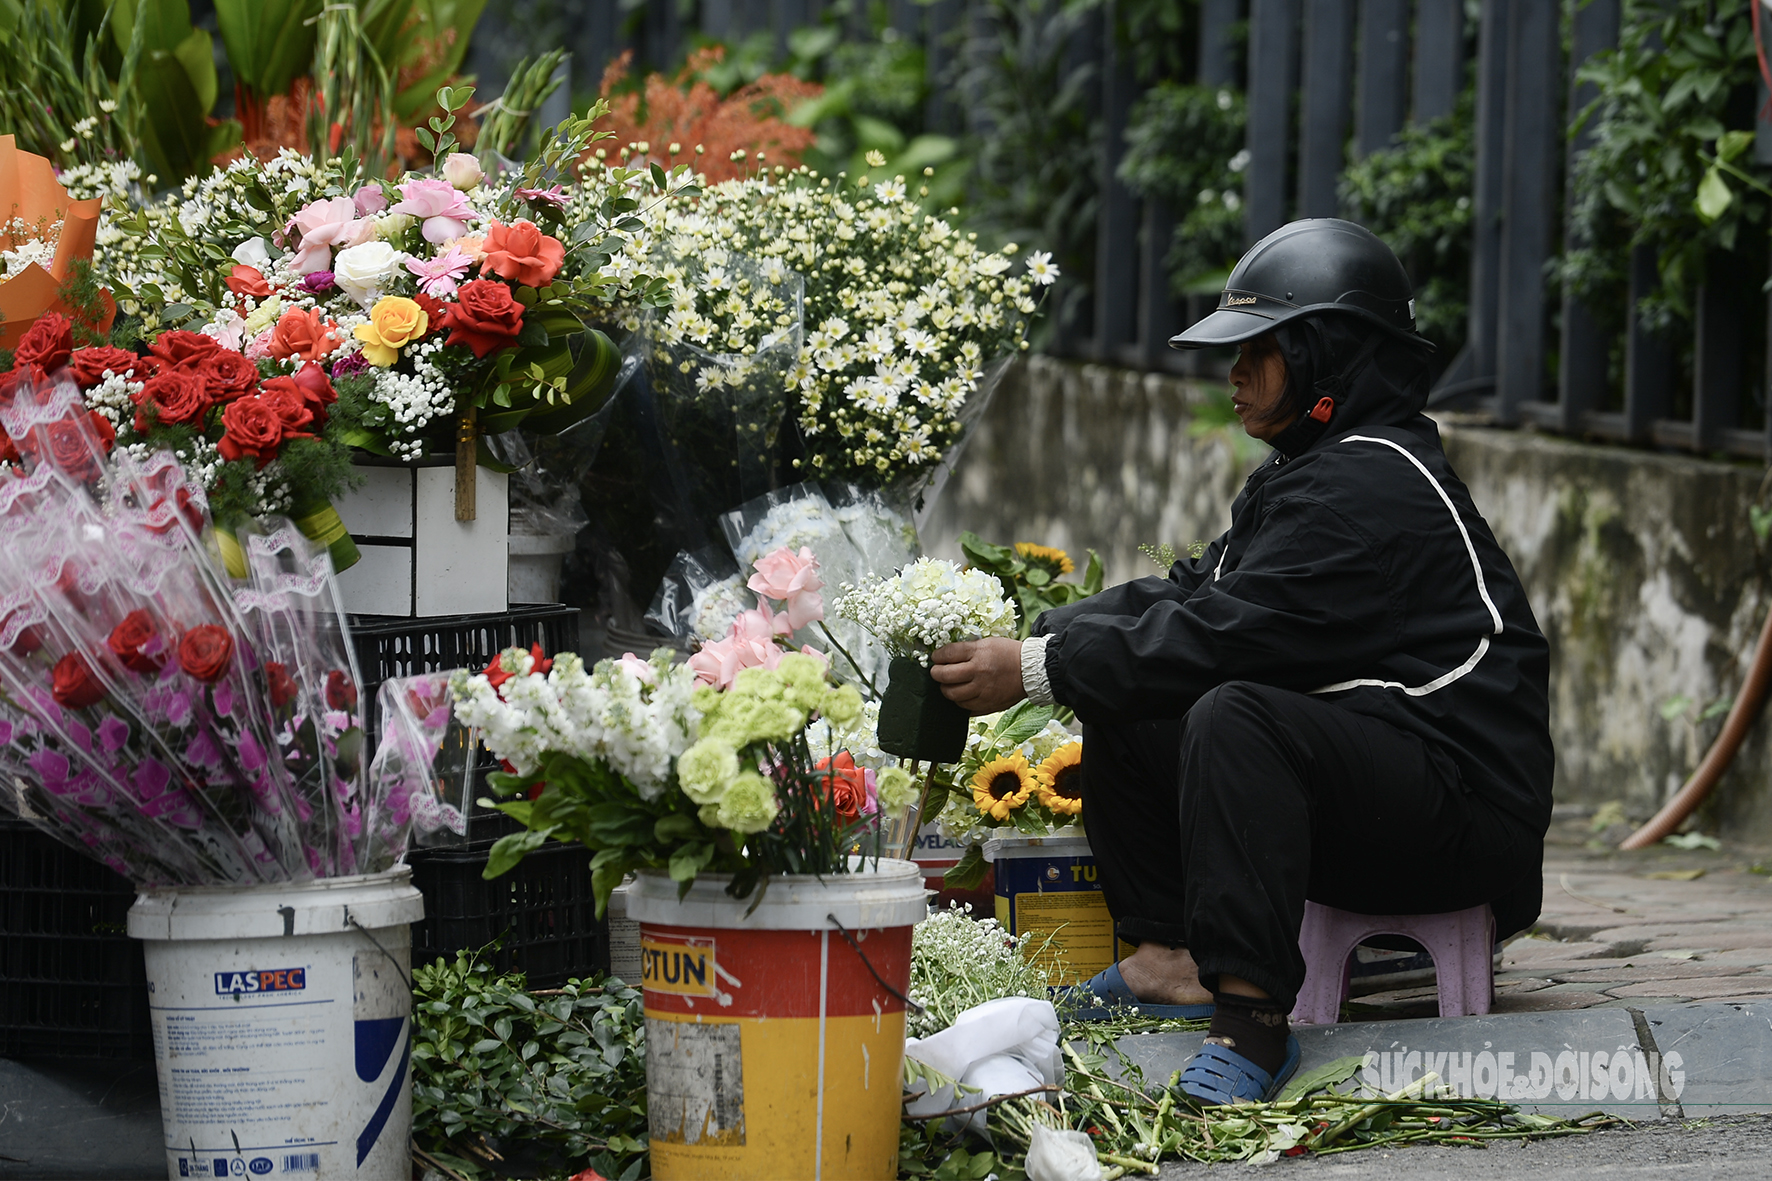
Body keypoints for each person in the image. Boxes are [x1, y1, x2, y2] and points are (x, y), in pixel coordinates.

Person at [928, 218, 1553, 1104]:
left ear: (1328, 356)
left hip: (1465, 825)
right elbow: (1192, 592)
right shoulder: (1311, 471)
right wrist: (1038, 633)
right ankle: (1170, 960)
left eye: (1258, 351)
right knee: (1140, 696)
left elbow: (1219, 634)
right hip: (1384, 787)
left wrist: (1034, 669)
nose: (1234, 374)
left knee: (1231, 710)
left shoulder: (1368, 489)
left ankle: (1255, 1029)